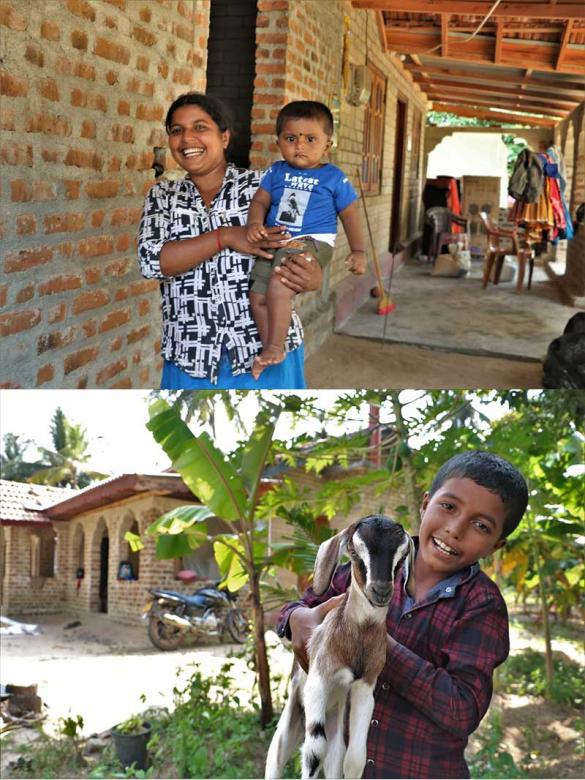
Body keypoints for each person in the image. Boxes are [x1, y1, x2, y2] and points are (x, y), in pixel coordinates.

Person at [276, 450, 529, 779]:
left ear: (496, 545)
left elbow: (462, 709)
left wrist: (374, 642)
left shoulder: (482, 605)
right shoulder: (363, 565)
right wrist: (296, 620)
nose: (454, 529)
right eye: (448, 507)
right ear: (425, 504)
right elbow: (297, 609)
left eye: (481, 525)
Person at [137, 92, 323, 389]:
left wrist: (312, 276)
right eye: (176, 130)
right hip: (190, 357)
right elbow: (152, 262)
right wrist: (225, 236)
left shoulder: (265, 187)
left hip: (264, 353)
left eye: (200, 127)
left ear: (224, 137)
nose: (187, 139)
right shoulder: (162, 196)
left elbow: (302, 247)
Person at [245, 100, 367, 379]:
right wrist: (254, 223)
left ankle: (276, 346)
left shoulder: (333, 177)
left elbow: (350, 216)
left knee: (280, 283)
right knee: (257, 294)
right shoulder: (276, 171)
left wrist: (358, 250)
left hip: (312, 240)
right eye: (291, 138)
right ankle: (270, 347)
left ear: (328, 144)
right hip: (278, 241)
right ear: (278, 142)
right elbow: (260, 201)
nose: (300, 146)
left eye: (310, 139)